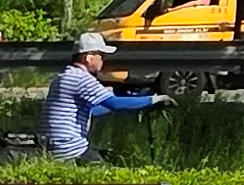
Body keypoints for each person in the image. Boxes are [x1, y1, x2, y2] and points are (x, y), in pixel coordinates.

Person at [43, 31, 164, 161]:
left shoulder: (63, 76)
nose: (103, 60)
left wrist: (134, 100)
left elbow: (91, 111)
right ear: (89, 57)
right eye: (101, 55)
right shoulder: (82, 79)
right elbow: (115, 104)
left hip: (52, 145)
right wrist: (153, 100)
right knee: (107, 165)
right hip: (69, 148)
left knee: (102, 155)